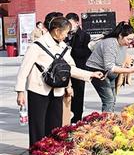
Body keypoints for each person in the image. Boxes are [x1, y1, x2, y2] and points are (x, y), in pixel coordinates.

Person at [16, 16, 104, 147]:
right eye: (65, 32)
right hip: (38, 90)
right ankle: (36, 153)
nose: (67, 35)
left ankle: (51, 152)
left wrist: (91, 74)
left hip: (57, 90)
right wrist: (20, 92)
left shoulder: (64, 48)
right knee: (37, 126)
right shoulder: (36, 46)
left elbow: (70, 69)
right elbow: (24, 69)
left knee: (55, 126)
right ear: (57, 31)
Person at [86, 22, 134, 112]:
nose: (130, 42)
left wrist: (130, 66)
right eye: (128, 39)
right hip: (98, 71)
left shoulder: (123, 44)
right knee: (108, 99)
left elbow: (120, 59)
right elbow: (110, 67)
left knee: (113, 99)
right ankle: (106, 119)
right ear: (120, 36)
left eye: (132, 39)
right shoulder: (110, 44)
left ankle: (110, 117)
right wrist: (130, 71)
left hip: (112, 73)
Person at [65, 13, 91, 123]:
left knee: (79, 94)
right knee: (67, 94)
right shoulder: (64, 34)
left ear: (77, 23)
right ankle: (67, 116)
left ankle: (77, 118)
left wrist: (72, 51)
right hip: (65, 69)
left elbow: (87, 52)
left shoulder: (85, 36)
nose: (69, 26)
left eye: (71, 24)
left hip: (79, 68)